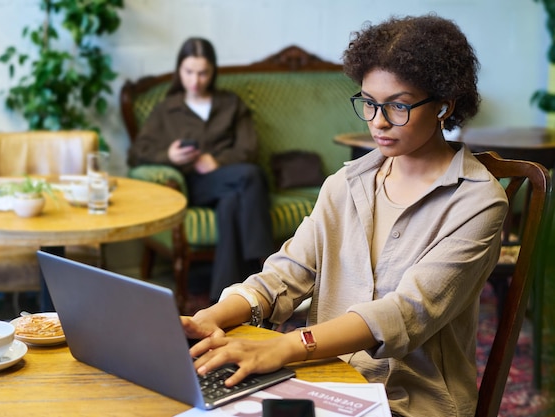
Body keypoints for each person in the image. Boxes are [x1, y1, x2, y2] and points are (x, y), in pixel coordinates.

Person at [181, 15, 509, 417]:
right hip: (322, 380)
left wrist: (284, 346)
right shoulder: (345, 184)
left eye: (399, 106)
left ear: (444, 104)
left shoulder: (478, 203)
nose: (379, 122)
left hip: (409, 401)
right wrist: (210, 317)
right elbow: (285, 275)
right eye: (369, 103)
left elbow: (405, 313)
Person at [127, 37, 273, 305]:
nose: (196, 80)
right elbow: (136, 154)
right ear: (179, 71)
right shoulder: (166, 109)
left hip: (229, 181)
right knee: (251, 176)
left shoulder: (230, 104)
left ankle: (222, 299)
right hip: (192, 184)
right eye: (189, 72)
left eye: (203, 72)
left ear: (213, 71)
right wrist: (168, 156)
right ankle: (265, 266)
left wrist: (218, 161)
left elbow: (249, 148)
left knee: (231, 203)